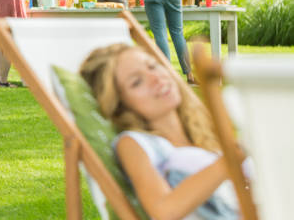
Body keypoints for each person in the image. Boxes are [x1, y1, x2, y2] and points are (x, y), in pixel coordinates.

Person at [80, 43, 243, 220]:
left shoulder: (201, 135)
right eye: (137, 82)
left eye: (152, 66)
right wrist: (231, 160)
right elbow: (163, 211)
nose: (156, 78)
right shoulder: (135, 143)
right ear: (120, 105)